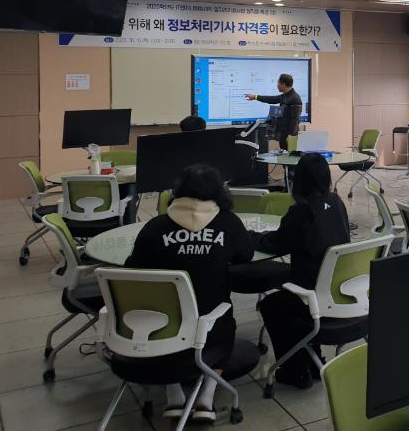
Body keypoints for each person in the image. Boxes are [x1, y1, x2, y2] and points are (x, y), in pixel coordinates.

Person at [125, 164, 254, 422]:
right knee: (224, 325)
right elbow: (246, 255)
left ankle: (174, 395)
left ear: (178, 192)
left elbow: (133, 270)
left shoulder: (155, 227)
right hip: (210, 327)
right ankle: (206, 397)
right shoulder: (229, 223)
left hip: (160, 327)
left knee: (165, 326)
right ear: (219, 193)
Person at [253, 153, 350, 389]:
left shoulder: (301, 212)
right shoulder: (337, 203)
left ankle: (295, 370)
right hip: (341, 292)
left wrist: (251, 237)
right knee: (292, 294)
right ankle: (314, 360)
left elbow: (275, 244)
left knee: (271, 305)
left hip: (313, 296)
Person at [244, 73, 303, 146]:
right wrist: (255, 97)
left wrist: (291, 135)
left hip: (290, 136)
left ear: (283, 85)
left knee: (291, 153)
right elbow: (272, 99)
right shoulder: (285, 96)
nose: (277, 85)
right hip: (283, 134)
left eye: (278, 83)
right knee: (283, 152)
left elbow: (295, 119)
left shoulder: (295, 98)